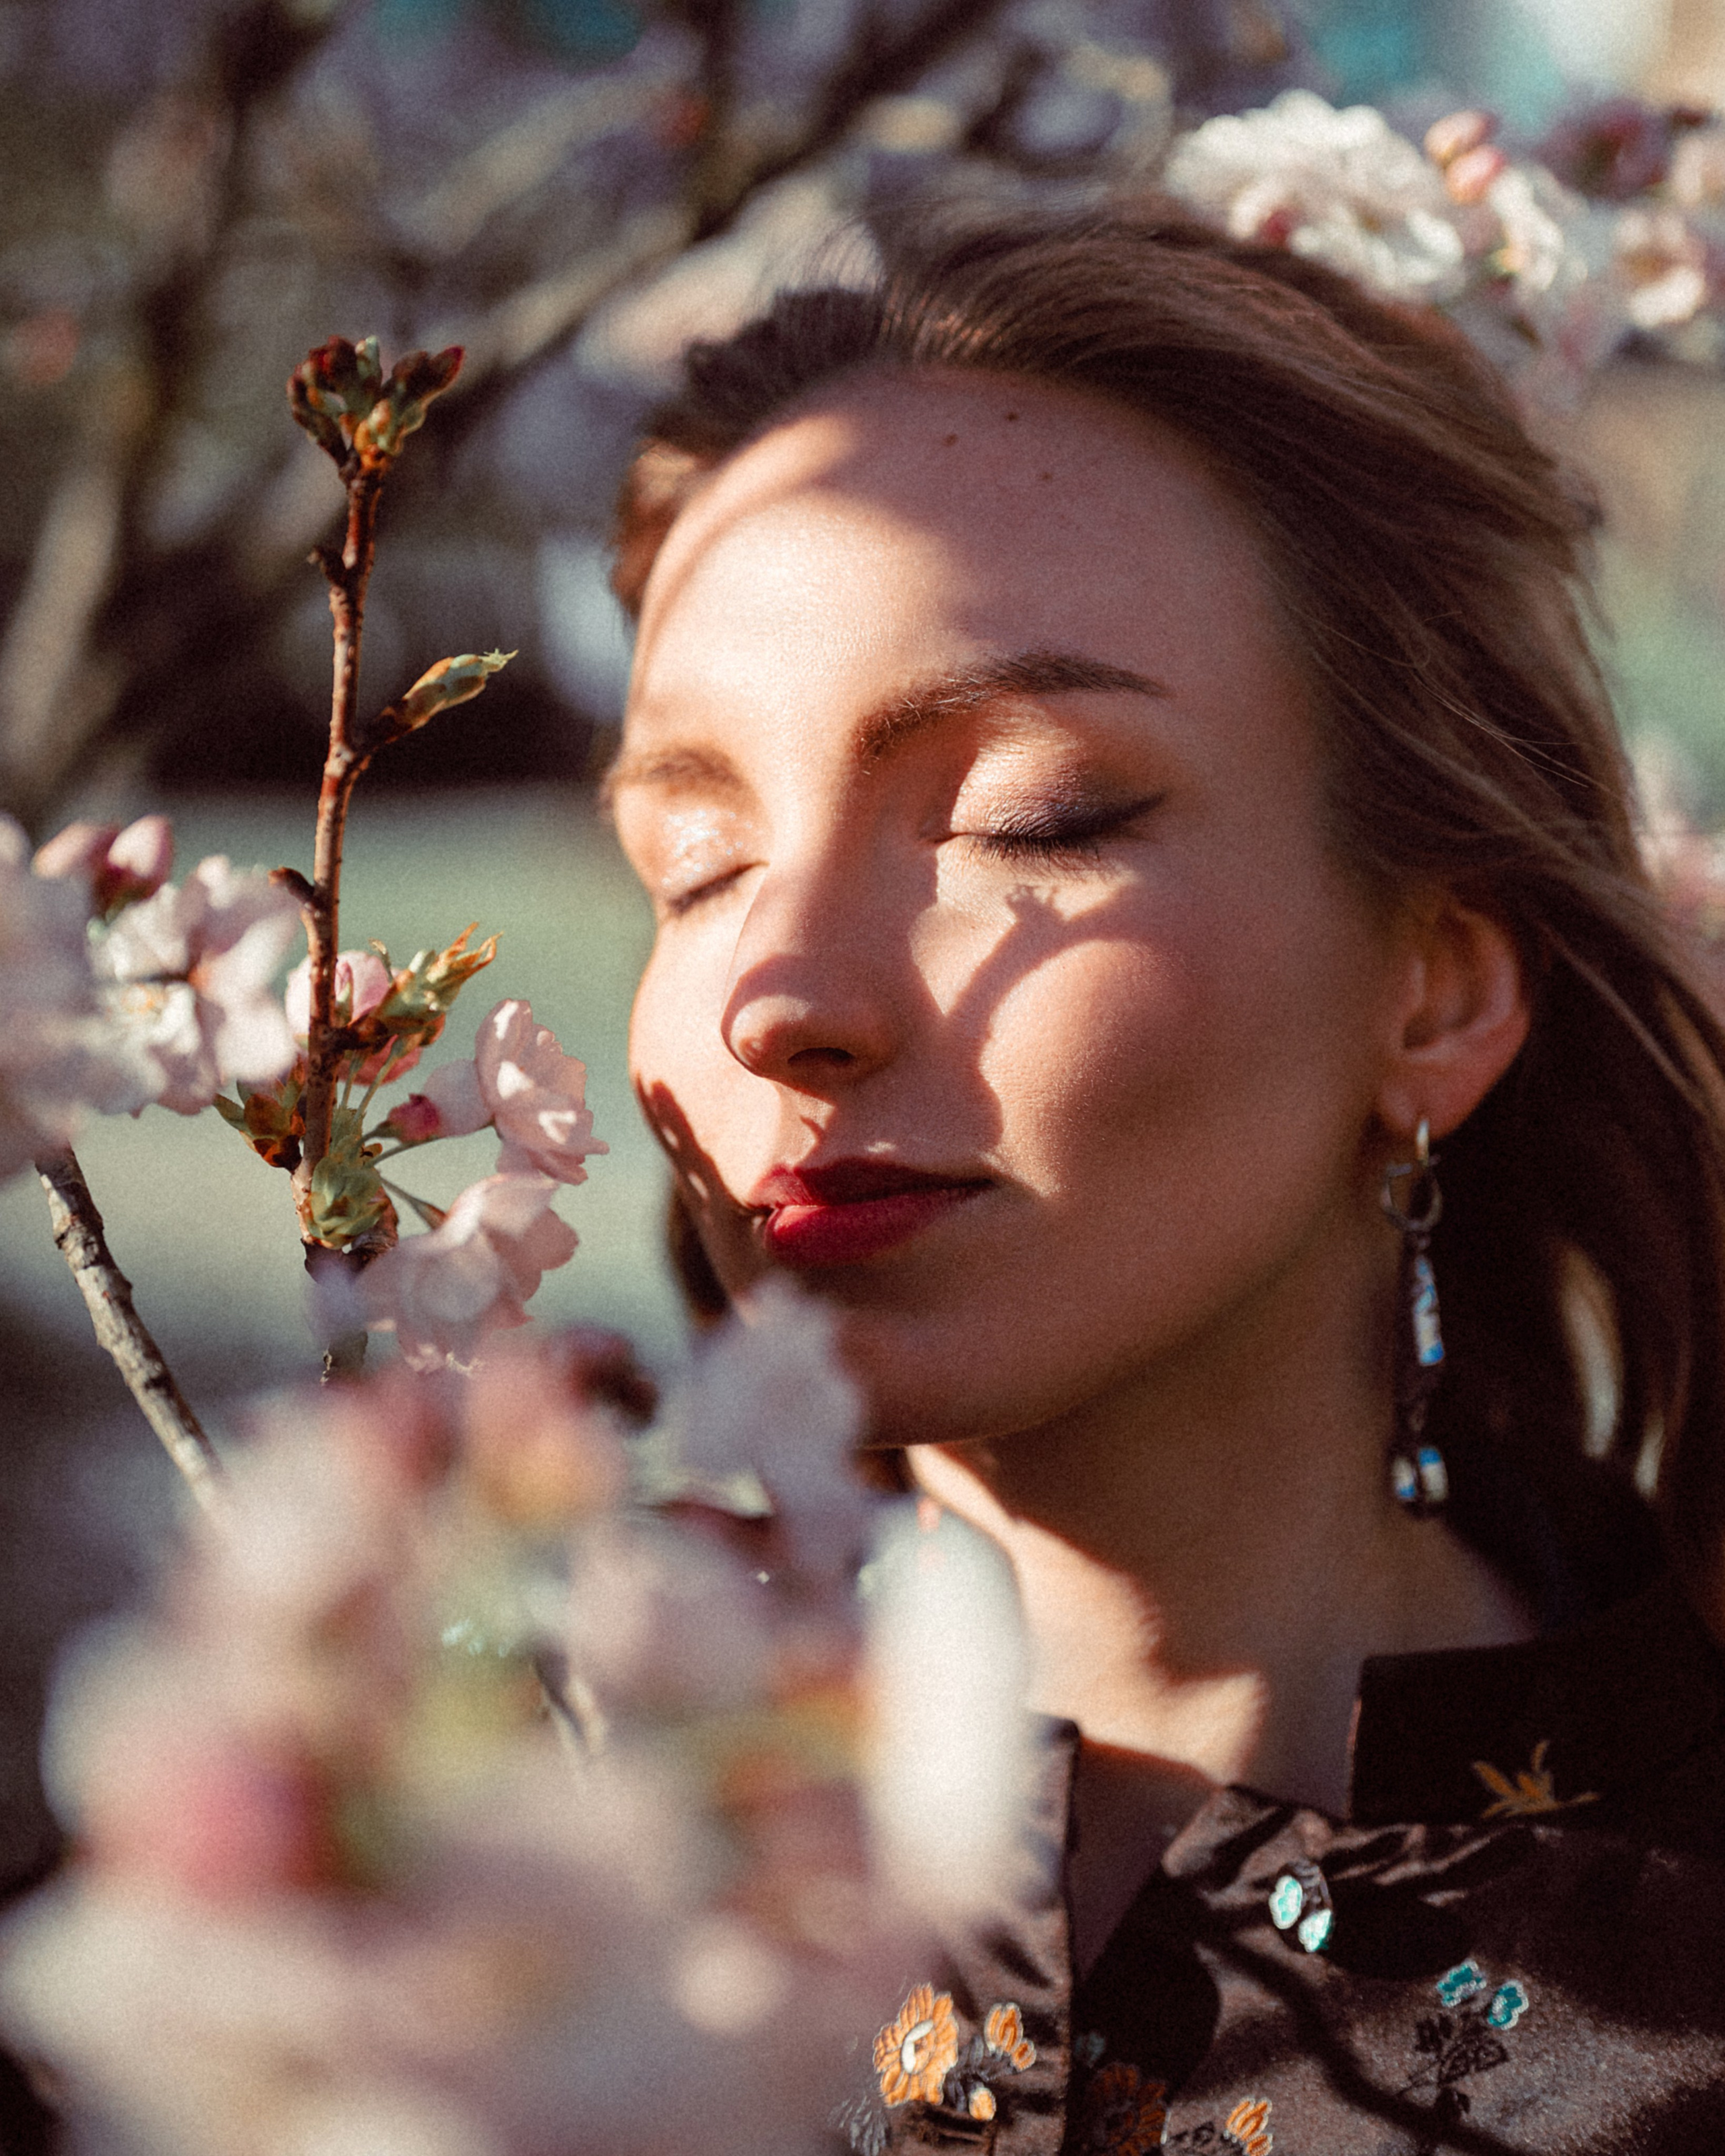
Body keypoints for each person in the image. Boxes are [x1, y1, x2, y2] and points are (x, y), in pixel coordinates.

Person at [604, 213, 1725, 2152]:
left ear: (1434, 986)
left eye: (1024, 816)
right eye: (695, 861)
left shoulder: (1672, 1993)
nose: (779, 991)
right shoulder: (502, 1839)